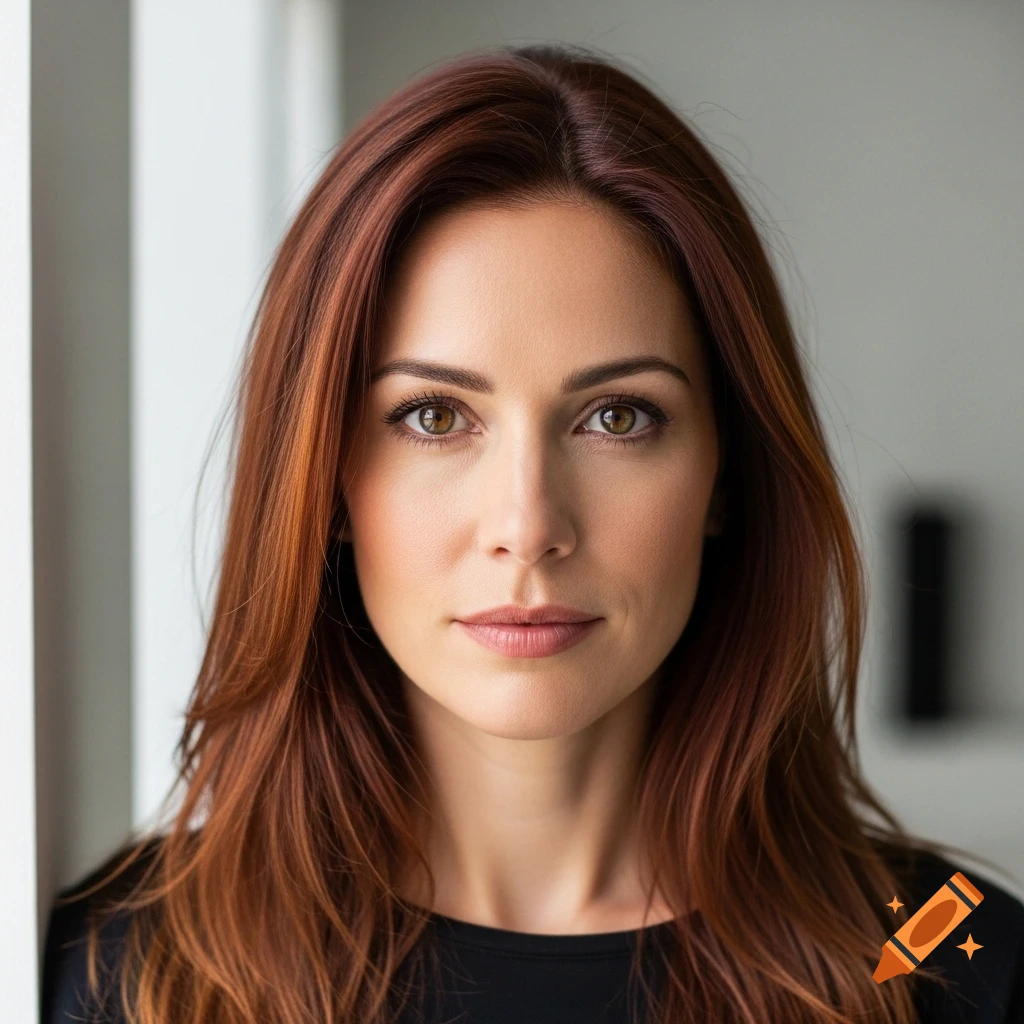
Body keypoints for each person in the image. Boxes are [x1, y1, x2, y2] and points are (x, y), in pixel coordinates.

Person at [41, 41, 1024, 1024]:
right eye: (433, 416)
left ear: (727, 474)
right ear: (326, 481)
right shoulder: (126, 973)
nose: (527, 526)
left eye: (617, 417)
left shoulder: (943, 959)